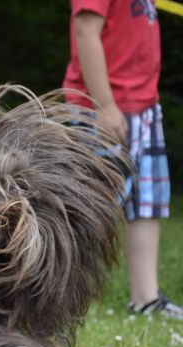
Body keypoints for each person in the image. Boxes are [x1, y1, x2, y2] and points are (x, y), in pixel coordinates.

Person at [64, 0, 183, 320]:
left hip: (142, 105)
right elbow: (86, 30)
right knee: (91, 205)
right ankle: (62, 294)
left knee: (147, 202)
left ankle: (146, 297)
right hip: (101, 108)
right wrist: (104, 105)